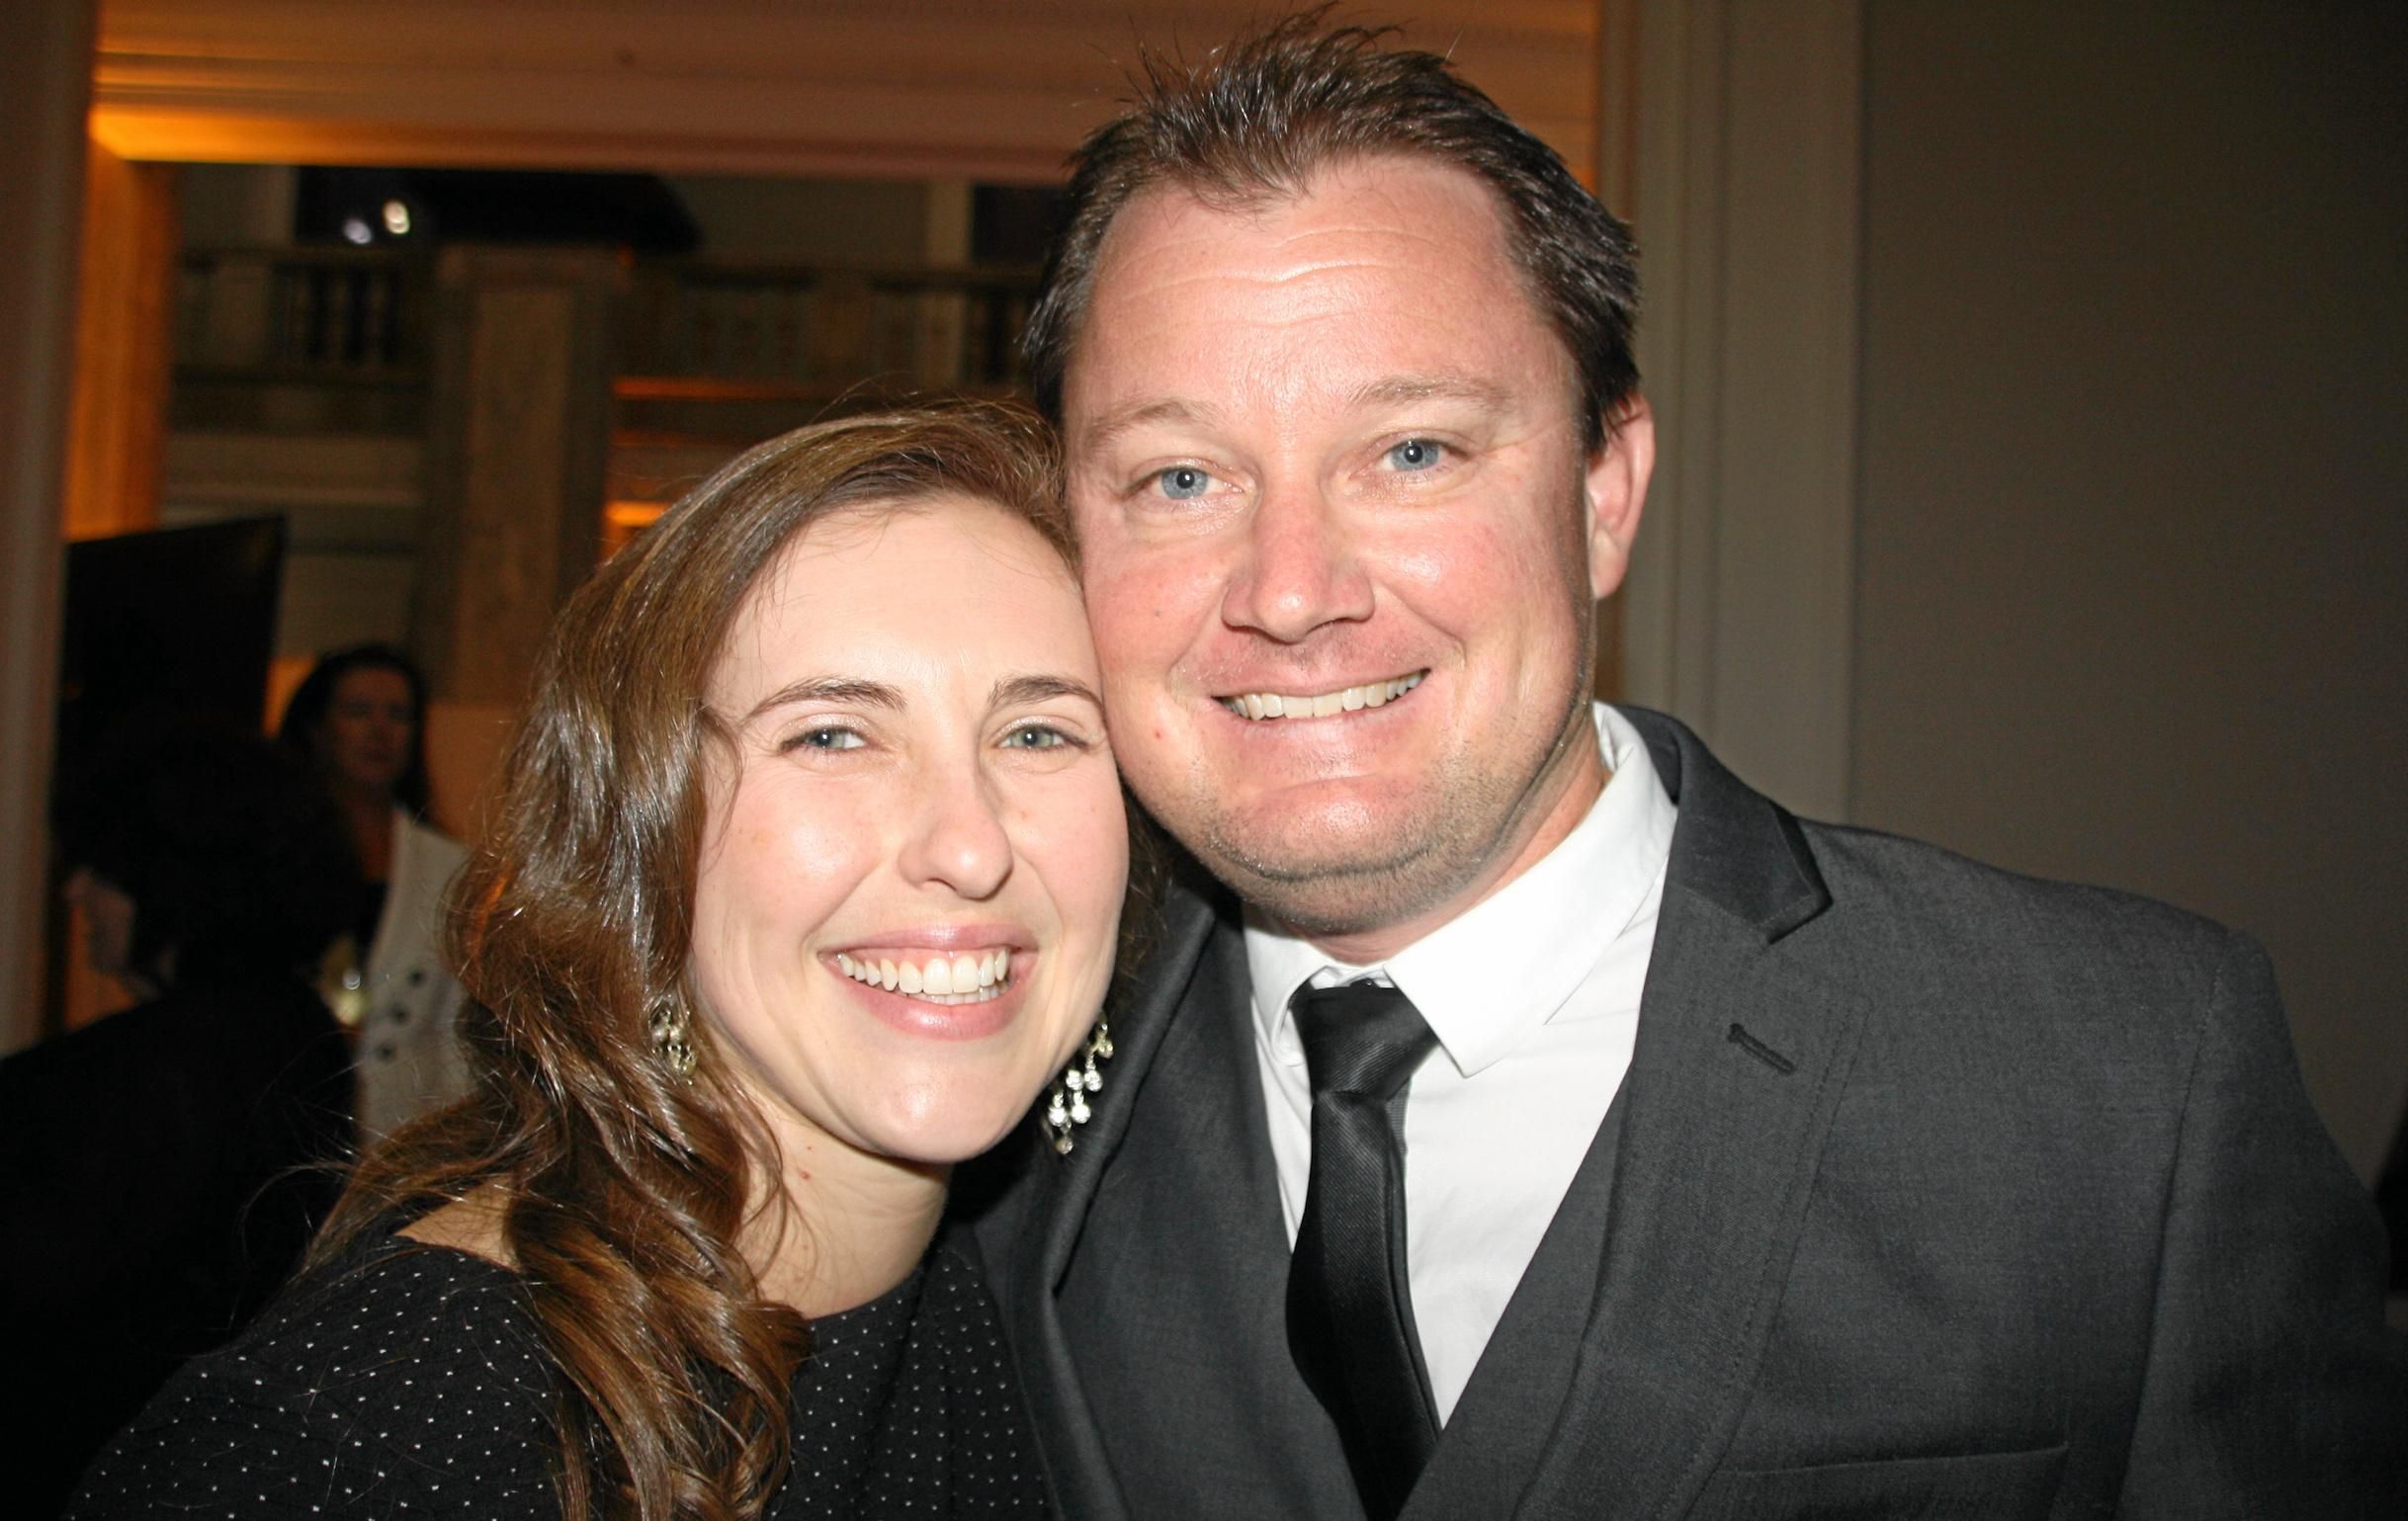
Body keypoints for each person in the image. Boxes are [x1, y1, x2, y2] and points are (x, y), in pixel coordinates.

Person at [962, 14, 2408, 1521]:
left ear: (1606, 491)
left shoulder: (2125, 1086)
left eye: (1414, 453)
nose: (1289, 586)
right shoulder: (974, 1073)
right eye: (1180, 477)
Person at [70, 401, 1131, 1520]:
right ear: (643, 844)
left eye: (1040, 732)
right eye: (830, 734)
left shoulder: (1079, 1327)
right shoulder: (350, 1447)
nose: (968, 845)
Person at [0, 721, 358, 1519]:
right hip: (222, 1463)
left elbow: (31, 1269)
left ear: (168, 880)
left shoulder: (151, 1064)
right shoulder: (300, 1031)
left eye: (100, 869)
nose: (74, 892)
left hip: (87, 1469)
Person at [279, 643, 473, 1140]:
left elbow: (460, 1027)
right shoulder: (272, 853)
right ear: (317, 728)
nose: (379, 732)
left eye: (398, 715)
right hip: (288, 1114)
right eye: (358, 711)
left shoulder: (450, 866)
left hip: (404, 1130)